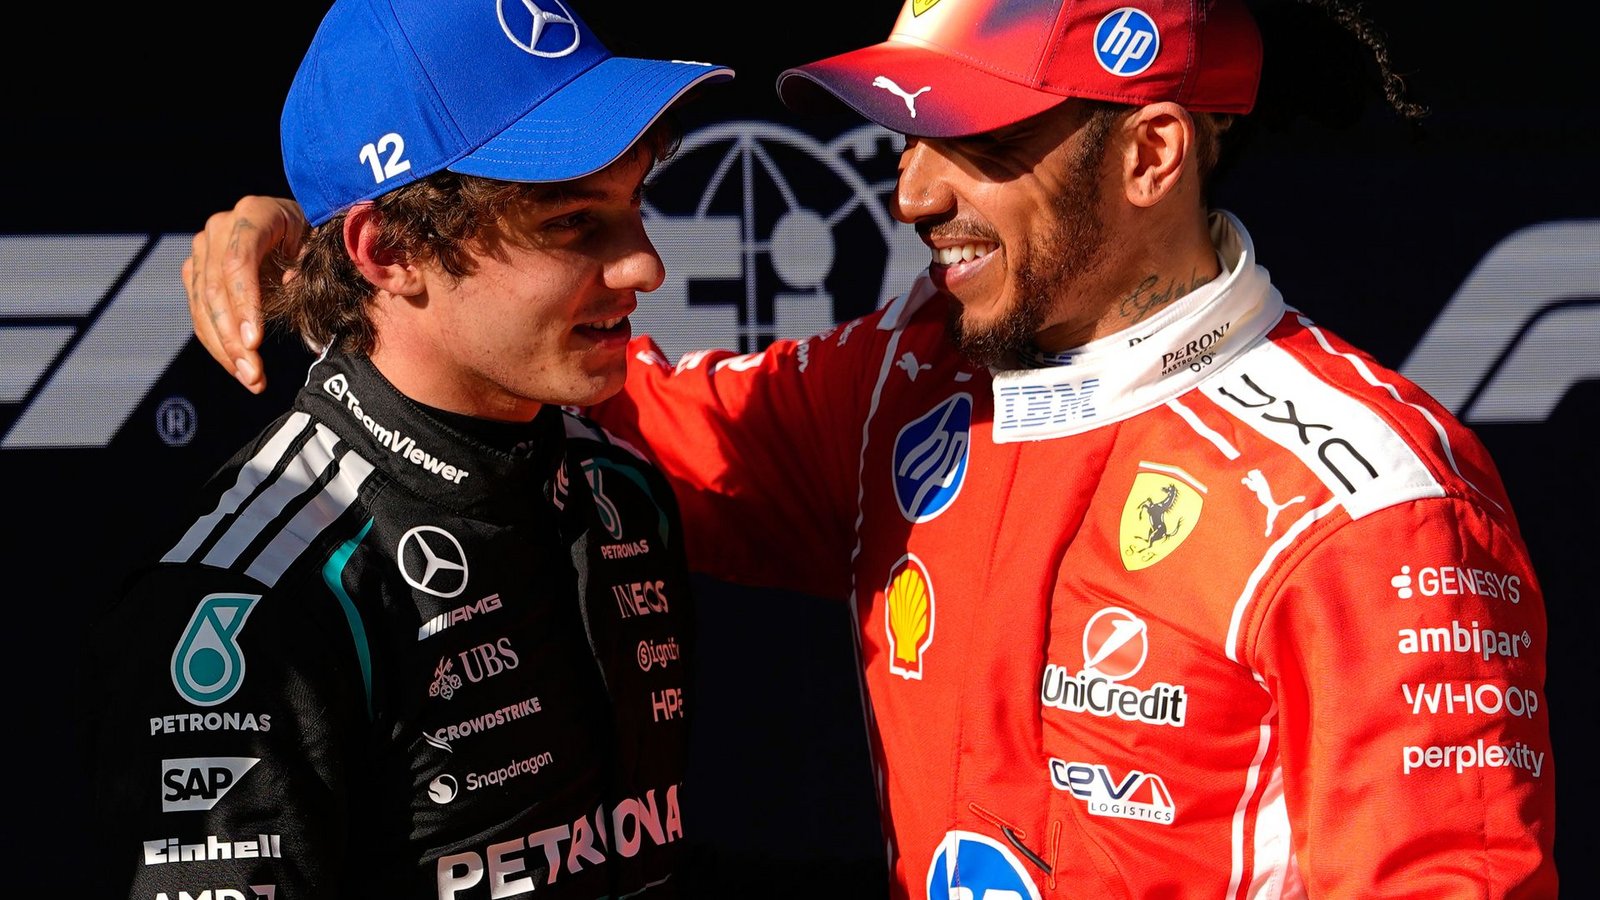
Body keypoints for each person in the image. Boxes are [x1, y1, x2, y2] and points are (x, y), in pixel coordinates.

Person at [180, 0, 1559, 896]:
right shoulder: (914, 375)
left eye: (970, 136)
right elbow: (596, 402)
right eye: (905, 129)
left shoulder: (1368, 506)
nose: (908, 188)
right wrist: (357, 241)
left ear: (1150, 157)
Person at [87, 1, 732, 898]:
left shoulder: (622, 488)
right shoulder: (256, 600)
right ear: (388, 250)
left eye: (635, 204)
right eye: (575, 224)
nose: (646, 265)